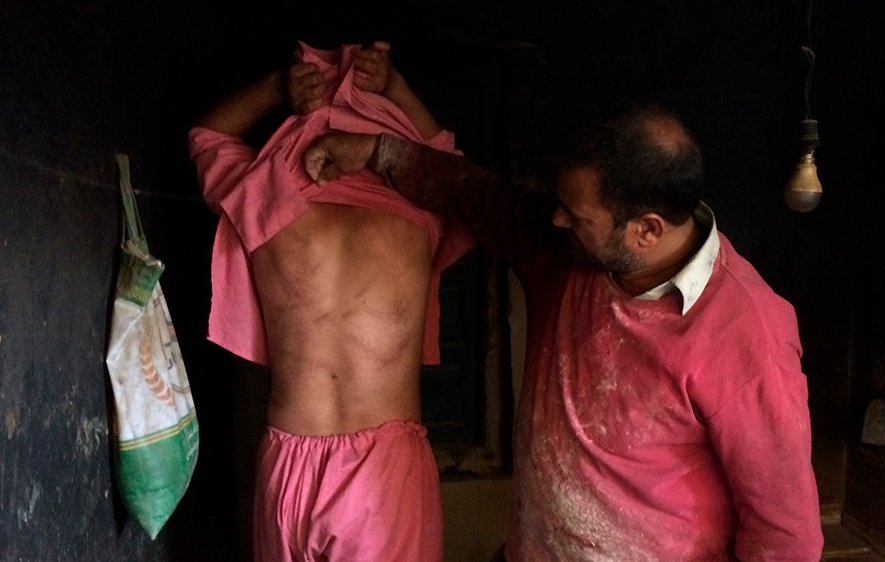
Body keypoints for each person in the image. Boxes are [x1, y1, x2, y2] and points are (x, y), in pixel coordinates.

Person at [301, 104, 825, 561]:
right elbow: (474, 193)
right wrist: (377, 151)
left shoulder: (747, 331)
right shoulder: (564, 252)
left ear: (646, 229)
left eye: (576, 215)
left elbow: (785, 535)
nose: (555, 220)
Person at [188, 40, 473, 562]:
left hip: (292, 459)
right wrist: (394, 88)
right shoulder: (420, 211)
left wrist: (279, 88)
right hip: (384, 471)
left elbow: (208, 134)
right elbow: (451, 167)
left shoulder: (266, 197)